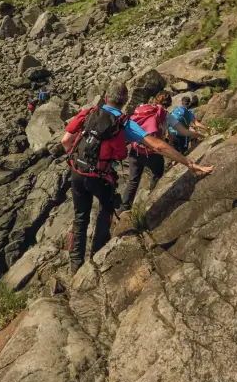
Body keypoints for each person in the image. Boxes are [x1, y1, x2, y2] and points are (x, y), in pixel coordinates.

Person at [62, 81, 214, 274]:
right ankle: (96, 259)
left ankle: (75, 266)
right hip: (100, 177)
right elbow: (157, 146)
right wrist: (188, 162)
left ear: (106, 98)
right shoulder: (124, 123)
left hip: (76, 172)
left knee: (80, 217)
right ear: (124, 102)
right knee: (106, 211)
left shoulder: (89, 112)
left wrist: (77, 160)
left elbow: (65, 140)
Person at [121, 91, 206, 210]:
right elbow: (184, 132)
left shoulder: (142, 108)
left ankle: (124, 209)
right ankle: (151, 197)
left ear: (156, 100)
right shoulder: (166, 115)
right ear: (169, 104)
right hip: (153, 153)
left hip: (136, 149)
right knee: (158, 175)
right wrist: (199, 135)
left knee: (133, 181)